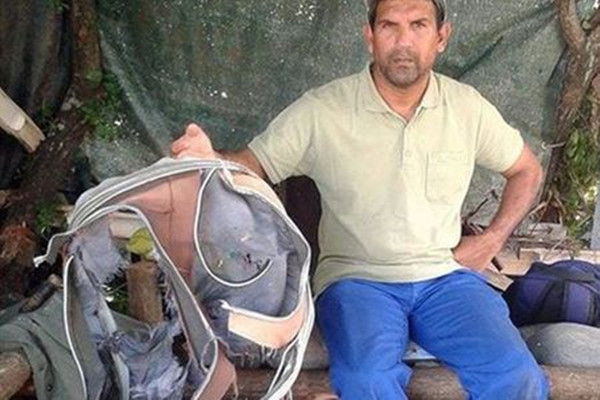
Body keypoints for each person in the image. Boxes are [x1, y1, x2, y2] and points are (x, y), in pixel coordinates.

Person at [171, 0, 549, 398]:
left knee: (516, 375)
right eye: (389, 26)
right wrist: (208, 157)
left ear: (442, 37)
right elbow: (252, 166)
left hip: (446, 278)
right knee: (366, 379)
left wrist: (492, 239)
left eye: (418, 25)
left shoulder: (467, 108)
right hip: (357, 280)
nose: (403, 41)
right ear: (369, 36)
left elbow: (526, 169)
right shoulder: (323, 110)